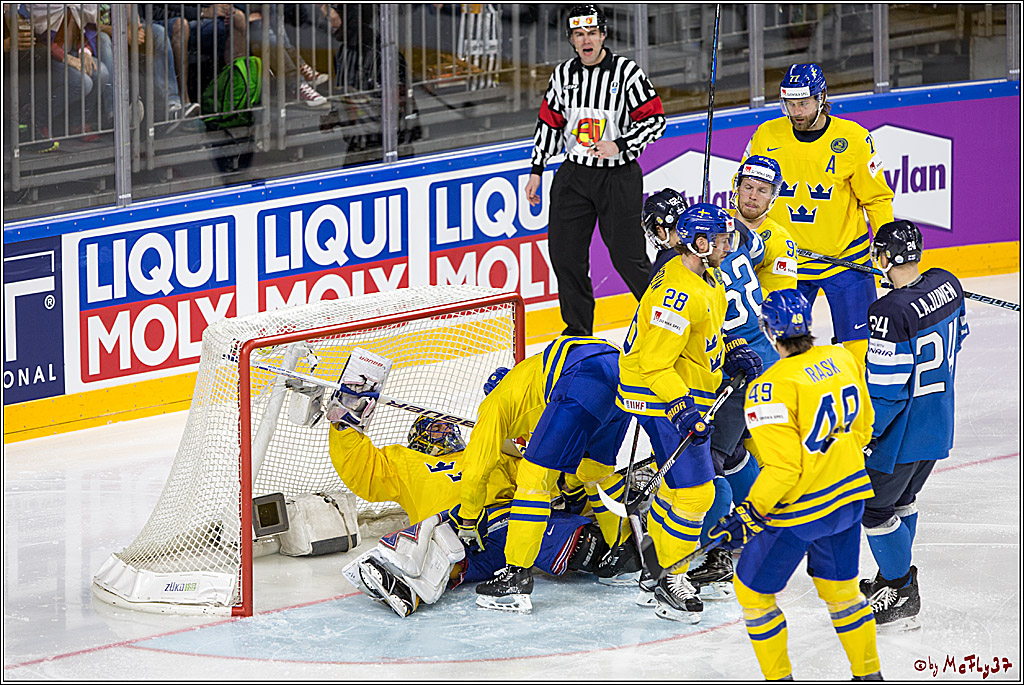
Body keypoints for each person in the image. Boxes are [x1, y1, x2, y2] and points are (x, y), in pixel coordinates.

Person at [708, 288, 881, 681]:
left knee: (753, 593)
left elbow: (784, 471)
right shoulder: (841, 358)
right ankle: (869, 675)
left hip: (800, 512)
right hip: (850, 498)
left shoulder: (769, 387)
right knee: (841, 593)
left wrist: (749, 512)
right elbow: (866, 427)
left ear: (769, 330)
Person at [617, 201, 760, 623]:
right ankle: (669, 577)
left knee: (684, 490)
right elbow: (654, 364)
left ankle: (655, 568)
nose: (727, 245)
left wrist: (733, 351)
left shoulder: (706, 276)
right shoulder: (676, 294)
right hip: (658, 395)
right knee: (696, 492)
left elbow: (704, 336)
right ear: (699, 244)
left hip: (682, 390)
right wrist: (679, 408)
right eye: (719, 239)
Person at [328, 414, 599, 618]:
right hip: (456, 542)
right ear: (418, 436)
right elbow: (363, 472)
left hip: (508, 526)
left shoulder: (487, 451)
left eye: (448, 426)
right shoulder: (404, 461)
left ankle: (611, 549)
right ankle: (403, 583)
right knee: (438, 545)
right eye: (435, 428)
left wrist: (527, 441)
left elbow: (542, 482)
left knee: (571, 537)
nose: (444, 430)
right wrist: (344, 427)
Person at [688, 156, 801, 600]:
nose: (752, 196)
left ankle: (722, 549)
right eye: (747, 187)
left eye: (762, 190)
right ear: (735, 187)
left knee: (712, 458)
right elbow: (748, 248)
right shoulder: (741, 237)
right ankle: (763, 523)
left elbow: (786, 297)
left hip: (746, 362)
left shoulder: (720, 247)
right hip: (756, 355)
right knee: (735, 453)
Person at [457, 336, 636, 613]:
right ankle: (624, 555)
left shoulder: (494, 406)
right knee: (595, 472)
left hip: (585, 377)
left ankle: (516, 577)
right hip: (620, 373)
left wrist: (468, 522)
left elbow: (475, 470)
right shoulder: (529, 383)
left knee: (533, 480)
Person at [524, 4, 666, 337]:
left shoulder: (626, 73)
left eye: (591, 33)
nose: (586, 40)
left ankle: (663, 325)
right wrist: (537, 168)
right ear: (571, 40)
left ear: (603, 35)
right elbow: (550, 122)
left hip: (617, 176)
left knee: (627, 258)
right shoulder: (562, 75)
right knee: (565, 256)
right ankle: (577, 334)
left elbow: (655, 120)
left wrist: (620, 144)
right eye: (578, 34)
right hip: (574, 175)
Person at [744, 63, 895, 368]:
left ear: (821, 97)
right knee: (780, 350)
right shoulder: (766, 135)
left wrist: (887, 252)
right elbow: (748, 194)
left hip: (846, 262)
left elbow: (877, 199)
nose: (796, 111)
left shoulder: (854, 139)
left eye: (803, 103)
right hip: (785, 264)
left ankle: (859, 413)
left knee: (860, 353)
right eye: (789, 103)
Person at [859, 219, 969, 631]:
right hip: (938, 421)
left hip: (899, 435)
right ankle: (892, 579)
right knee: (902, 499)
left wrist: (863, 433)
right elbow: (960, 336)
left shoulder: (887, 312)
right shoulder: (947, 283)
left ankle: (901, 590)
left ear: (883, 257)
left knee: (875, 509)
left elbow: (887, 393)